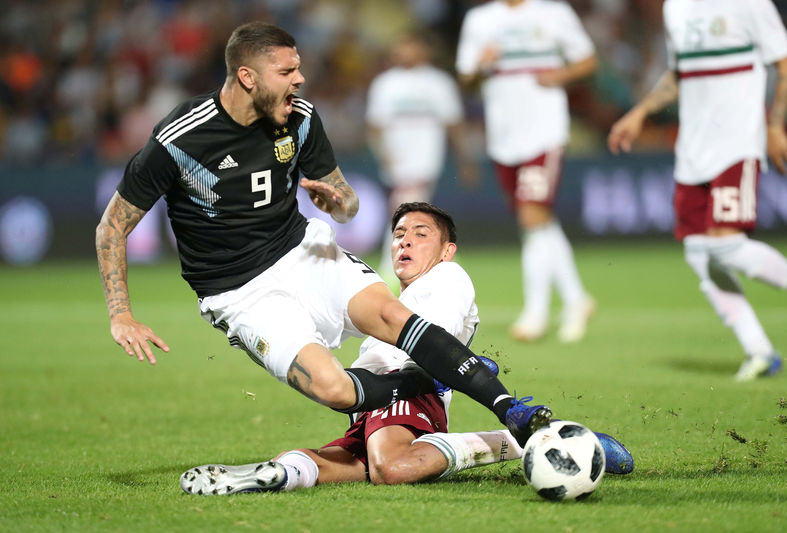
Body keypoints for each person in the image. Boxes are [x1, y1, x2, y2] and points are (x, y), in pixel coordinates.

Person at [95, 22, 551, 450]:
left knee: (393, 316)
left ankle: (512, 410)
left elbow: (346, 198)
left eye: (299, 67)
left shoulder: (300, 118)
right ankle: (430, 377)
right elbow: (113, 226)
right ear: (248, 77)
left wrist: (341, 203)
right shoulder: (182, 138)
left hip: (304, 252)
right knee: (334, 388)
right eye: (287, 70)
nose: (300, 79)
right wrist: (121, 315)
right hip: (238, 291)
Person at [178, 202, 633, 495]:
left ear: (447, 250)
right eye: (398, 234)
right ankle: (279, 473)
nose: (404, 241)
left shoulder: (448, 279)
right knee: (350, 466)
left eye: (420, 233)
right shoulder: (389, 300)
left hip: (408, 394)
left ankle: (520, 440)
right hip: (370, 400)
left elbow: (433, 349)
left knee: (390, 469)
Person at [608, 0, 787, 381]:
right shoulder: (677, 8)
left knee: (725, 244)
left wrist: (776, 125)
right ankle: (759, 351)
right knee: (700, 253)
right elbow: (678, 73)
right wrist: (640, 111)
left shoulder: (750, 5)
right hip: (693, 151)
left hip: (737, 143)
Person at [455, 0, 598, 343]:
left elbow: (588, 60)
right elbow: (466, 78)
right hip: (504, 136)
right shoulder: (480, 19)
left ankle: (536, 313)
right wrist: (479, 67)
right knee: (538, 219)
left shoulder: (553, 12)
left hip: (545, 131)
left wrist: (560, 75)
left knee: (532, 216)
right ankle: (577, 299)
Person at [365, 31, 477, 285]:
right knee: (407, 209)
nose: (404, 52)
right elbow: (374, 126)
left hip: (426, 157)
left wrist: (465, 160)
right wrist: (382, 152)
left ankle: (395, 265)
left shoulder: (439, 83)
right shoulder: (385, 83)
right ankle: (437, 257)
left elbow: (454, 124)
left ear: (424, 50)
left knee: (404, 208)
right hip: (397, 157)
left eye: (410, 46)